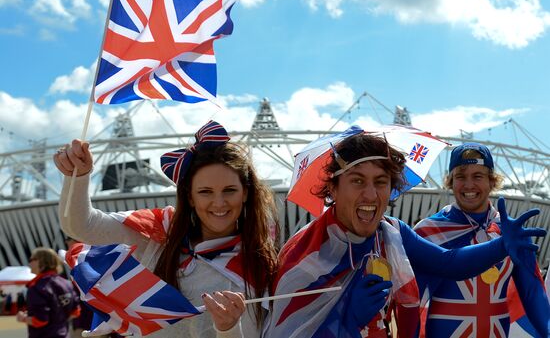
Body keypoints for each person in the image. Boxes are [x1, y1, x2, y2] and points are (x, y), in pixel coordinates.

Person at [263, 132, 546, 338]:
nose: (371, 194)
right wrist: (344, 320)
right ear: (333, 189)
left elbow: (449, 264)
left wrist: (500, 247)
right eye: (357, 181)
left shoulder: (392, 232)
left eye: (381, 182)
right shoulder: (304, 257)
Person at [53, 120, 279, 338]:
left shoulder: (258, 264)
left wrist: (228, 329)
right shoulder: (159, 232)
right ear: (189, 196)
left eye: (229, 190)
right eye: (205, 192)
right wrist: (77, 176)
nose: (219, 202)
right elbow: (82, 225)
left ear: (246, 193)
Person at [414, 143, 549, 337]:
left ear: (492, 181)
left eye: (478, 176)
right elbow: (410, 301)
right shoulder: (429, 232)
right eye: (460, 176)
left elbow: (532, 292)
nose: (469, 185)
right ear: (450, 182)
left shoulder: (511, 232)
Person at [16, 247, 80, 338]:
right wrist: (57, 320)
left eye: (31, 259)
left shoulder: (37, 287)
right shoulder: (67, 284)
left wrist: (23, 318)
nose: (29, 263)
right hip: (63, 334)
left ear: (41, 262)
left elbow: (40, 320)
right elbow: (75, 312)